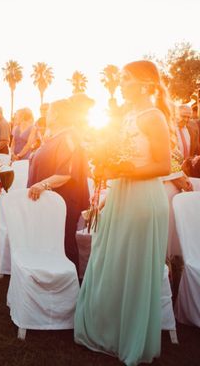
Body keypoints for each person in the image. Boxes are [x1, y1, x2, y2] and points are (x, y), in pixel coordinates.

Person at [75, 60, 173, 365]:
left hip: (143, 200)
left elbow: (164, 166)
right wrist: (106, 166)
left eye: (126, 79)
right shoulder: (128, 115)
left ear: (145, 84)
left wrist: (123, 168)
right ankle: (110, 331)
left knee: (134, 267)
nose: (121, 83)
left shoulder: (154, 117)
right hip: (121, 195)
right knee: (112, 260)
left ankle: (132, 339)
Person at [26, 99, 89, 271]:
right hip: (48, 200)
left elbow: (66, 173)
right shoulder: (56, 136)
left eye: (50, 111)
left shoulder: (69, 137)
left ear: (58, 115)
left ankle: (69, 285)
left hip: (63, 201)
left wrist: (42, 185)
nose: (46, 115)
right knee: (49, 241)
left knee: (63, 243)